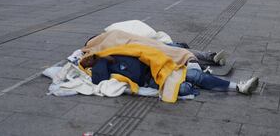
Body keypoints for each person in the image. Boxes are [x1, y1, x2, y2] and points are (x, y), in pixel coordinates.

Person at [81, 54, 259, 97]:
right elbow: (99, 80)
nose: (88, 59)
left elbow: (142, 53)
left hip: (158, 70)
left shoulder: (116, 54)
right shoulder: (100, 68)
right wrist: (101, 61)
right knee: (184, 87)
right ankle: (205, 83)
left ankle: (238, 86)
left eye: (90, 57)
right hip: (150, 80)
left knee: (194, 76)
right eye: (86, 60)